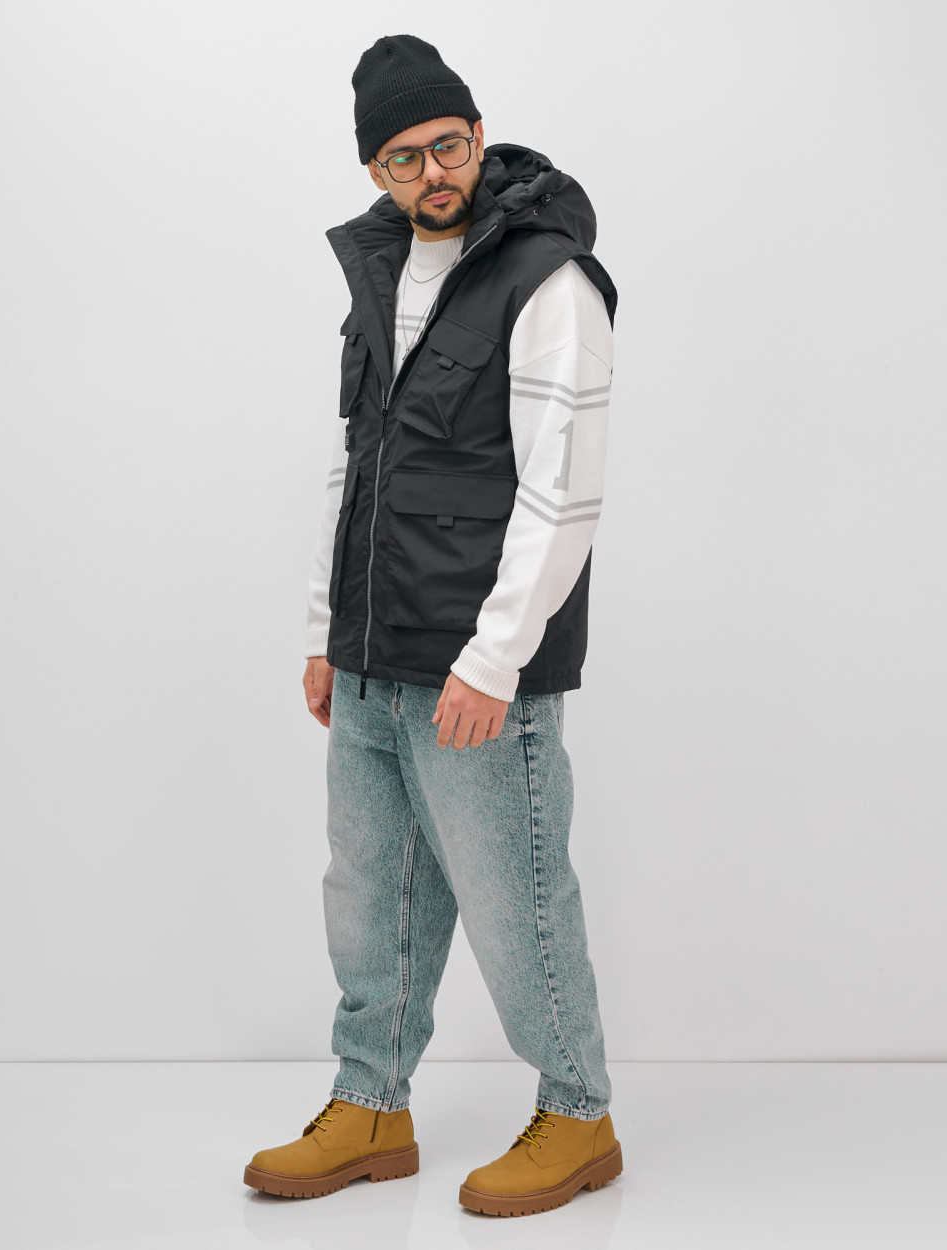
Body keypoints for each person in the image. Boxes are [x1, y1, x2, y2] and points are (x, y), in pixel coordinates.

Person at [243, 33, 623, 1218]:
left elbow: (564, 491)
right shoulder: (378, 276)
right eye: (402, 158)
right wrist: (328, 627)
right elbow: (355, 462)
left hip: (474, 668)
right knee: (366, 896)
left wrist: (494, 658)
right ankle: (371, 1103)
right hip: (371, 655)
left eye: (447, 145)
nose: (432, 172)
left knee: (517, 900)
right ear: (376, 171)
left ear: (477, 134)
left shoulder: (548, 279)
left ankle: (578, 1113)